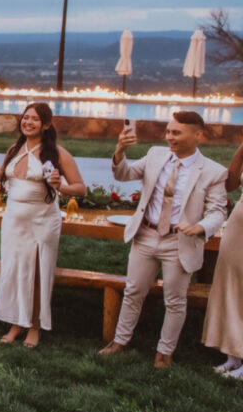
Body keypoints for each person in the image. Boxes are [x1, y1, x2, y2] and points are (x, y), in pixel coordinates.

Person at [99, 111, 227, 368]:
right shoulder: (156, 154)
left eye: (176, 132)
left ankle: (164, 353)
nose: (169, 137)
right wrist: (119, 151)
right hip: (145, 234)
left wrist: (199, 227)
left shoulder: (213, 172)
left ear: (198, 135)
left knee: (175, 299)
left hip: (178, 241)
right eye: (168, 131)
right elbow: (124, 174)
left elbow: (218, 211)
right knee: (133, 291)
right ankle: (119, 342)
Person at [0, 103, 85, 349]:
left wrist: (60, 185)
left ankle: (34, 326)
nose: (28, 122)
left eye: (35, 119)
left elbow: (80, 189)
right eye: (25, 118)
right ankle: (16, 322)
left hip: (42, 220)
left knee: (38, 272)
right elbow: (12, 181)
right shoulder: (14, 149)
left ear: (47, 125)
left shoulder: (57, 154)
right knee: (15, 270)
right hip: (13, 220)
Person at [203, 140, 243, 379]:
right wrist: (240, 152)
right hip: (239, 224)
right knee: (230, 282)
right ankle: (233, 353)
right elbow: (229, 184)